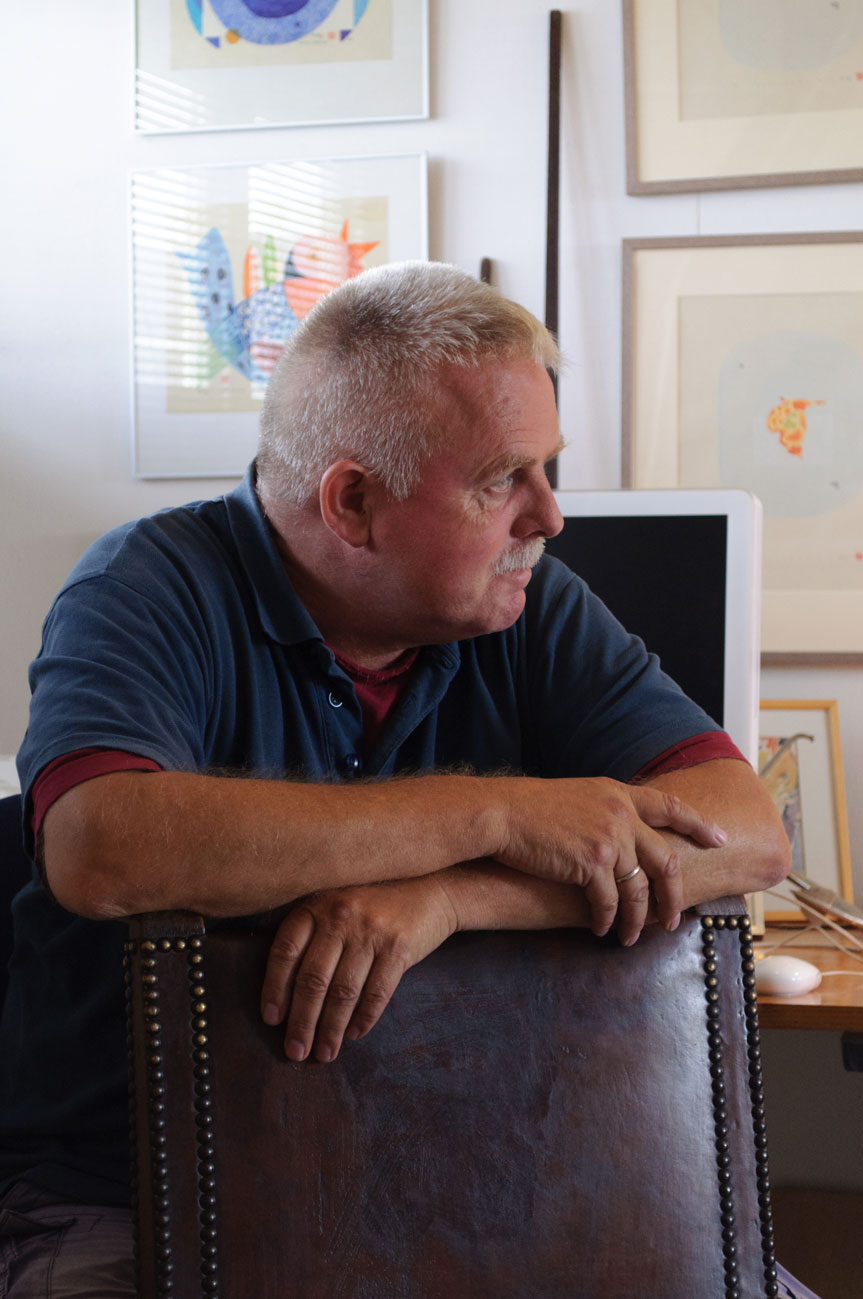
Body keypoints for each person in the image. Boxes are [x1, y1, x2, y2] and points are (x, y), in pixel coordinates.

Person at [0, 261, 790, 1297]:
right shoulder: (144, 587)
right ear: (354, 503)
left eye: (548, 468)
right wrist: (498, 811)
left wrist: (449, 899)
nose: (548, 519)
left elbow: (744, 832)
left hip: (485, 1183)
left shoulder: (527, 606)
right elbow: (102, 848)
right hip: (134, 1190)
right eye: (502, 478)